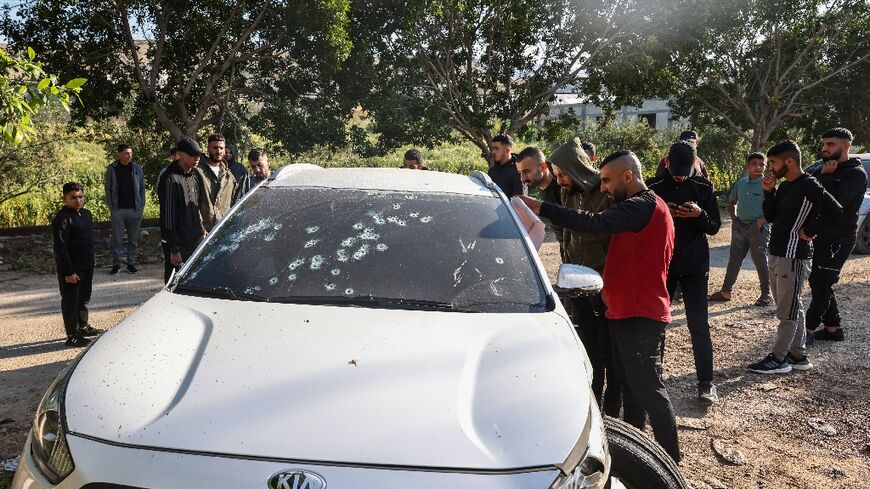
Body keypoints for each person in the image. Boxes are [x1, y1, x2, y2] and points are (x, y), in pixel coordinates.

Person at [519, 151, 680, 462]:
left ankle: (670, 467)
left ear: (628, 177)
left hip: (640, 315)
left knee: (649, 392)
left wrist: (540, 207)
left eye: (607, 179)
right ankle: (637, 456)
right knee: (633, 390)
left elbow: (593, 223)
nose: (603, 187)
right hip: (627, 311)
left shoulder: (643, 206)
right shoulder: (639, 208)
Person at [747, 140, 841, 374]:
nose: (770, 167)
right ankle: (798, 355)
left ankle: (779, 359)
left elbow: (835, 210)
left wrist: (810, 230)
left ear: (789, 161)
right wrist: (769, 193)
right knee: (790, 307)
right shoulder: (786, 186)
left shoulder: (808, 184)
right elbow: (771, 216)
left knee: (786, 313)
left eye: (773, 162)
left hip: (794, 256)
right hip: (778, 254)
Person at [546, 139, 622, 417]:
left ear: (575, 169)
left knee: (611, 356)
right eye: (556, 176)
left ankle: (613, 415)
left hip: (605, 286)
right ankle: (592, 410)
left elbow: (604, 233)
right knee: (588, 352)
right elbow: (566, 231)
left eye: (562, 174)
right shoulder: (569, 192)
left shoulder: (605, 194)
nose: (560, 181)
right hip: (576, 285)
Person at [648, 141, 721, 404]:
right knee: (658, 323)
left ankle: (706, 383)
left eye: (685, 170)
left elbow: (714, 226)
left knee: (698, 323)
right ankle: (655, 379)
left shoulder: (704, 187)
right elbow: (642, 225)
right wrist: (662, 212)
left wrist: (699, 215)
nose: (679, 175)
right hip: (664, 265)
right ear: (666, 162)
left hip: (694, 264)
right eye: (675, 169)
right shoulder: (653, 188)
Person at [805, 128, 867, 343]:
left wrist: (827, 178)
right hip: (822, 235)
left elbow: (836, 203)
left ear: (846, 145)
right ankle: (833, 329)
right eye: (824, 144)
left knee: (823, 284)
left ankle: (808, 331)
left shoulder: (856, 173)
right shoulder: (824, 168)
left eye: (830, 144)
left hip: (839, 239)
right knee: (816, 280)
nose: (824, 148)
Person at [709, 153, 771, 305]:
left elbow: (774, 209)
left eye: (761, 164)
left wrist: (760, 223)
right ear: (748, 166)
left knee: (760, 261)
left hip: (759, 228)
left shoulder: (768, 184)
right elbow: (732, 202)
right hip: (740, 226)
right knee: (734, 260)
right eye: (754, 164)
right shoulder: (741, 183)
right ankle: (726, 291)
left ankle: (766, 294)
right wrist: (734, 220)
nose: (758, 167)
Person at [53, 182, 103, 347]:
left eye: (80, 196)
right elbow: (60, 247)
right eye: (73, 197)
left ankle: (82, 326)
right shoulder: (62, 218)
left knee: (83, 298)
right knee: (70, 300)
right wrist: (68, 271)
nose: (78, 200)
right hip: (71, 268)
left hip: (86, 265)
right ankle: (72, 334)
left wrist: (91, 262)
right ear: (65, 198)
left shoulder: (86, 214)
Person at [162, 138, 208, 282]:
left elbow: (196, 208)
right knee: (175, 284)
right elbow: (168, 217)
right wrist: (174, 249)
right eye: (192, 155)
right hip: (178, 242)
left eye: (198, 155)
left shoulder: (194, 175)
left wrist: (201, 231)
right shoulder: (170, 178)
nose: (196, 158)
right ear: (180, 154)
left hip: (195, 238)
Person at [104, 143, 146, 274]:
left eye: (131, 153)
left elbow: (142, 189)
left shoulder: (137, 168)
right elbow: (108, 189)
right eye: (126, 153)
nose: (129, 156)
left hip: (135, 209)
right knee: (117, 239)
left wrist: (141, 207)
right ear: (119, 154)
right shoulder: (112, 168)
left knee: (133, 239)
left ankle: (131, 263)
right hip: (118, 210)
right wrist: (111, 207)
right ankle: (116, 264)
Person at [516, 146, 562, 242]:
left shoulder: (562, 187)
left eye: (527, 171)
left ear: (543, 167)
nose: (522, 178)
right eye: (520, 173)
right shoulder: (542, 187)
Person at [196, 133, 237, 232]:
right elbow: (192, 203)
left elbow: (234, 203)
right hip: (202, 232)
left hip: (223, 230)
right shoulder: (197, 172)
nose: (218, 151)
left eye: (221, 148)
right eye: (215, 148)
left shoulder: (229, 176)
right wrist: (200, 228)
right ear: (208, 148)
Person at [487, 134, 523, 198]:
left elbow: (520, 201)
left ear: (507, 150)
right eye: (493, 148)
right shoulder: (492, 171)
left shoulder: (518, 172)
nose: (493, 152)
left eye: (496, 148)